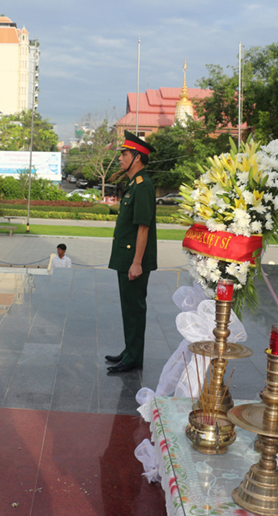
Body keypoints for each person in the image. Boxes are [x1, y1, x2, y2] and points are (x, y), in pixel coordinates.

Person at [105, 130, 157, 373]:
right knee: (128, 308)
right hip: (126, 258)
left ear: (137, 157)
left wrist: (137, 262)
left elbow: (143, 227)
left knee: (135, 309)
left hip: (134, 261)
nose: (120, 158)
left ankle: (134, 357)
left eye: (124, 154)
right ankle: (129, 351)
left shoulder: (143, 186)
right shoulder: (134, 185)